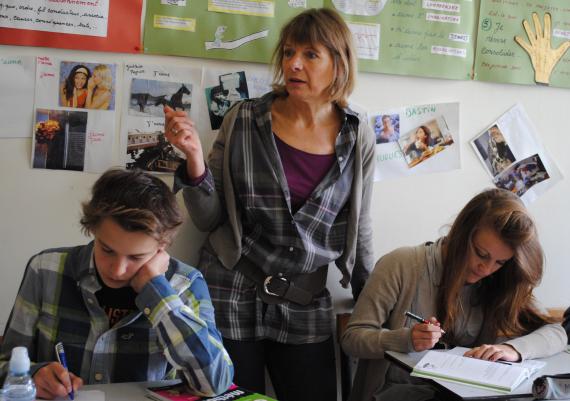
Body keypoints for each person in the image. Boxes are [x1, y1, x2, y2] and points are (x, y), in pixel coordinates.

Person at [164, 8, 375, 401]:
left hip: (305, 297)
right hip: (229, 287)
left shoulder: (357, 133)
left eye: (311, 54)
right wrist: (193, 160)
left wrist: (371, 300)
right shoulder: (243, 119)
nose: (293, 63)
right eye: (289, 52)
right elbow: (209, 218)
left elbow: (359, 224)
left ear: (339, 63)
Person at [0, 169, 233, 400]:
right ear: (92, 229)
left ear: (163, 247)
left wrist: (159, 294)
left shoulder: (186, 284)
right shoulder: (45, 270)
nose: (117, 269)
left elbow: (215, 383)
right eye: (107, 250)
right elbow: (5, 362)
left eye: (136, 257)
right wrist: (33, 373)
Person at [341, 188, 568, 401]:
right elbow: (352, 338)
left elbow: (557, 334)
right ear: (461, 234)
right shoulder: (402, 264)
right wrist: (405, 339)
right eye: (481, 254)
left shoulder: (500, 281)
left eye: (500, 262)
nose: (486, 269)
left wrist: (513, 350)